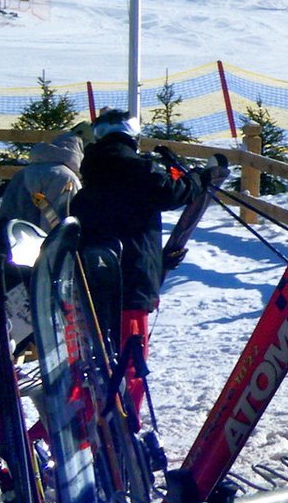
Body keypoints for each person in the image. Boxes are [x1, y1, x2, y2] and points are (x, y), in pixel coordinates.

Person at [70, 109, 198, 414]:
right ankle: (128, 423)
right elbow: (176, 191)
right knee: (132, 361)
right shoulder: (138, 171)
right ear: (132, 136)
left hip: (94, 289)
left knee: (93, 359)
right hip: (133, 284)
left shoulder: (89, 179)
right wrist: (195, 177)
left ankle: (89, 421)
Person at [0, 131, 82, 247]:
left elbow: (6, 211)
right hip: (47, 250)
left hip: (14, 242)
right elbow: (59, 219)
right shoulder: (67, 178)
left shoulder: (22, 173)